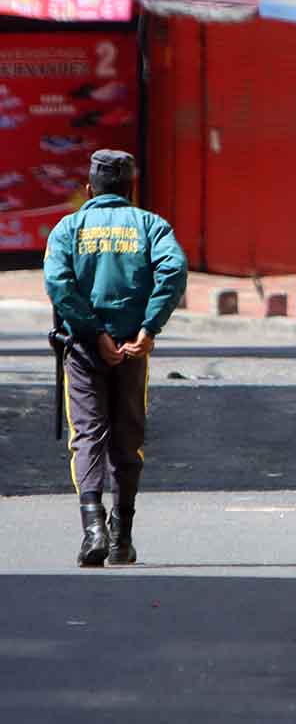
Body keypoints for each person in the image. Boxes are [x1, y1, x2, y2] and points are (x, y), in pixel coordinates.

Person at [43, 149, 188, 567]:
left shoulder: (68, 228)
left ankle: (94, 530)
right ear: (132, 189)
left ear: (90, 189)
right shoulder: (151, 226)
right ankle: (122, 537)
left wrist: (93, 331)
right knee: (128, 439)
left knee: (87, 435)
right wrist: (148, 329)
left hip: (85, 349)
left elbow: (58, 283)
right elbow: (173, 272)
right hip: (132, 350)